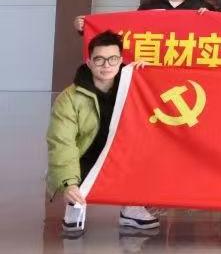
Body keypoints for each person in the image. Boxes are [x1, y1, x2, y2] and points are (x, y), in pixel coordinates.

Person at [48, 31, 158, 238]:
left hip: (123, 153)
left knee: (146, 151)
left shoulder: (134, 86)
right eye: (99, 59)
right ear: (89, 62)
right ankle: (75, 203)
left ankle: (132, 205)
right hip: (87, 156)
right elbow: (62, 143)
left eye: (113, 59)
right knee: (74, 166)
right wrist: (68, 183)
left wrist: (150, 76)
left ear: (121, 60)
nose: (106, 65)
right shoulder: (69, 99)